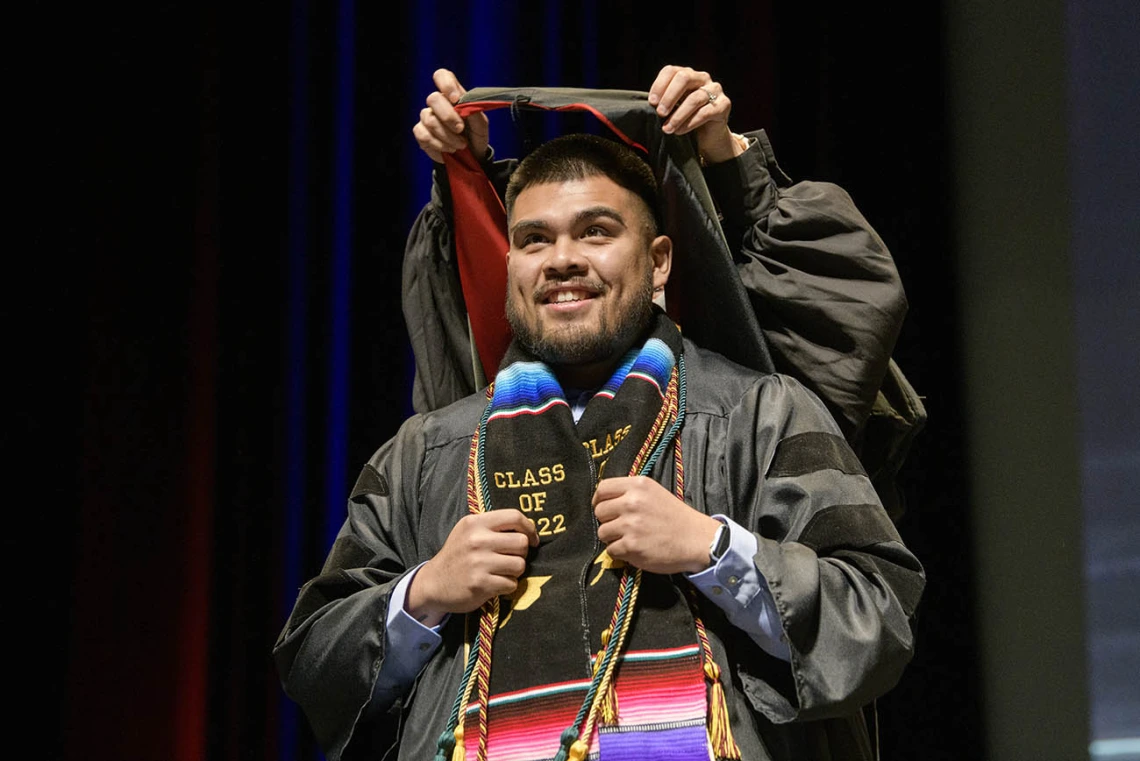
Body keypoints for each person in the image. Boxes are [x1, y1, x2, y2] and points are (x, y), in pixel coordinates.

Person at [274, 67, 925, 761]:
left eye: (595, 231)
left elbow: (877, 618)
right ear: (511, 266)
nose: (562, 260)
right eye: (533, 240)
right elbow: (313, 661)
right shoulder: (428, 451)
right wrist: (424, 592)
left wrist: (715, 550)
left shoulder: (761, 414)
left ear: (660, 261)